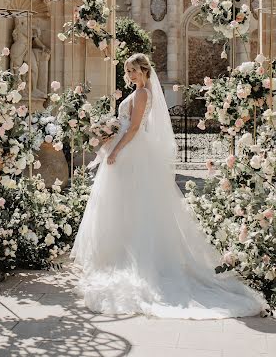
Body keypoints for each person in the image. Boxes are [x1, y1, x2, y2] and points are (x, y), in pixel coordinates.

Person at [71, 53, 267, 318]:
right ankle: (118, 253)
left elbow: (135, 128)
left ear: (143, 71)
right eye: (127, 71)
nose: (129, 76)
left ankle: (133, 259)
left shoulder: (142, 94)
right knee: (123, 205)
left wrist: (115, 148)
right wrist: (109, 134)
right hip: (130, 151)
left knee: (130, 205)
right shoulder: (141, 91)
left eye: (132, 71)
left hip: (132, 152)